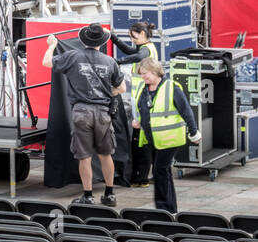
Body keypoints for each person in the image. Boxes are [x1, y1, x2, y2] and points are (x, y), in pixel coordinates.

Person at [42, 24, 125, 206]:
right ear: (101, 42)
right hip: (103, 113)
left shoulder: (73, 56)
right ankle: (109, 194)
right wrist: (104, 92)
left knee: (84, 156)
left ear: (83, 40)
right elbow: (122, 88)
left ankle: (87, 196)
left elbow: (47, 63)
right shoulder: (109, 61)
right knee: (106, 154)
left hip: (81, 112)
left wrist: (51, 45)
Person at [132, 58, 201, 214]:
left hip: (169, 138)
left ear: (155, 71)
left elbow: (186, 111)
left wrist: (194, 132)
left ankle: (163, 208)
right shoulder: (144, 88)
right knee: (164, 171)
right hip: (153, 139)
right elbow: (144, 109)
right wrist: (138, 120)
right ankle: (171, 208)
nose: (143, 77)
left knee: (159, 170)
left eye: (145, 73)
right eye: (141, 74)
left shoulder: (172, 88)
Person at [111, 21, 157, 187]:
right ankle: (141, 175)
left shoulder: (146, 50)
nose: (132, 40)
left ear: (143, 34)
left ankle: (141, 177)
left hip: (143, 98)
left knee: (142, 140)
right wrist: (114, 38)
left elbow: (137, 56)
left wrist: (118, 61)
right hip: (140, 97)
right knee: (140, 139)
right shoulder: (145, 46)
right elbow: (131, 51)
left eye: (134, 37)